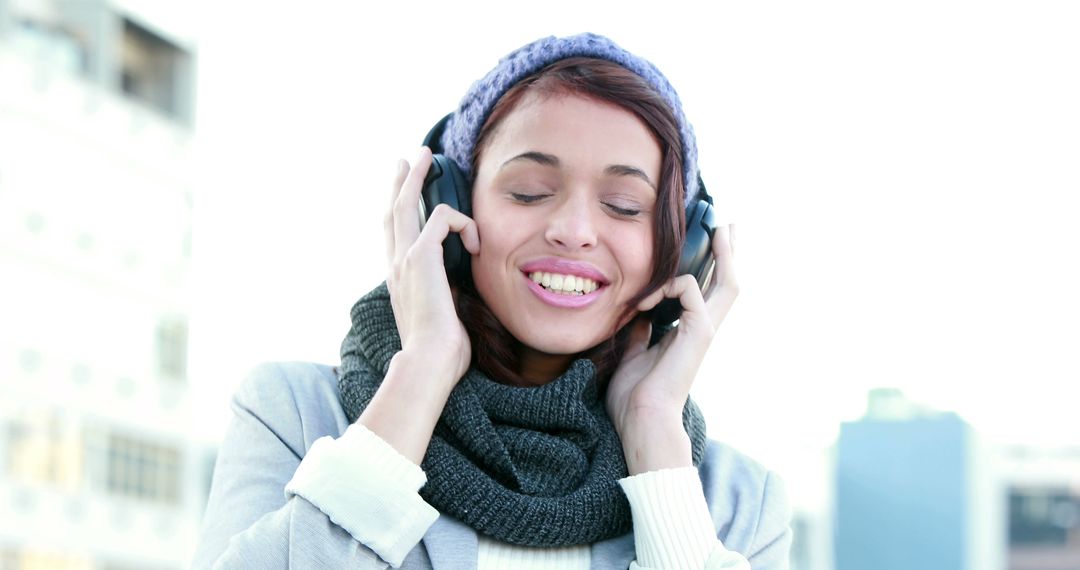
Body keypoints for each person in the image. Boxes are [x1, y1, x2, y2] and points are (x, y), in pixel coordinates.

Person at [193, 33, 792, 569]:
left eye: (625, 206)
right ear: (447, 206)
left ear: (683, 249)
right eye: (529, 192)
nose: (574, 229)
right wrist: (424, 370)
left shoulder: (737, 502)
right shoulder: (292, 415)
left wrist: (655, 433)